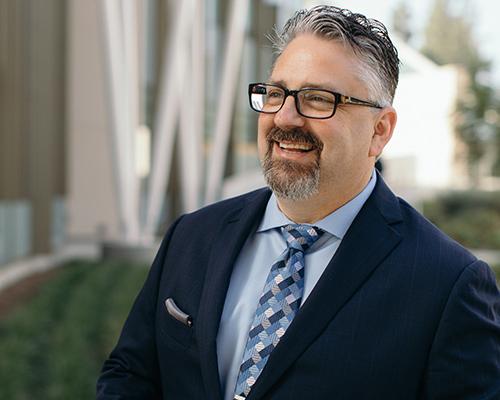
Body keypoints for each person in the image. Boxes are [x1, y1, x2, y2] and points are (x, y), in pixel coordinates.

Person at [97, 5, 500, 400]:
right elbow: (132, 374)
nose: (285, 117)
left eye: (319, 99)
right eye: (275, 93)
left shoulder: (449, 285)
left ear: (380, 130)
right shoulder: (191, 236)